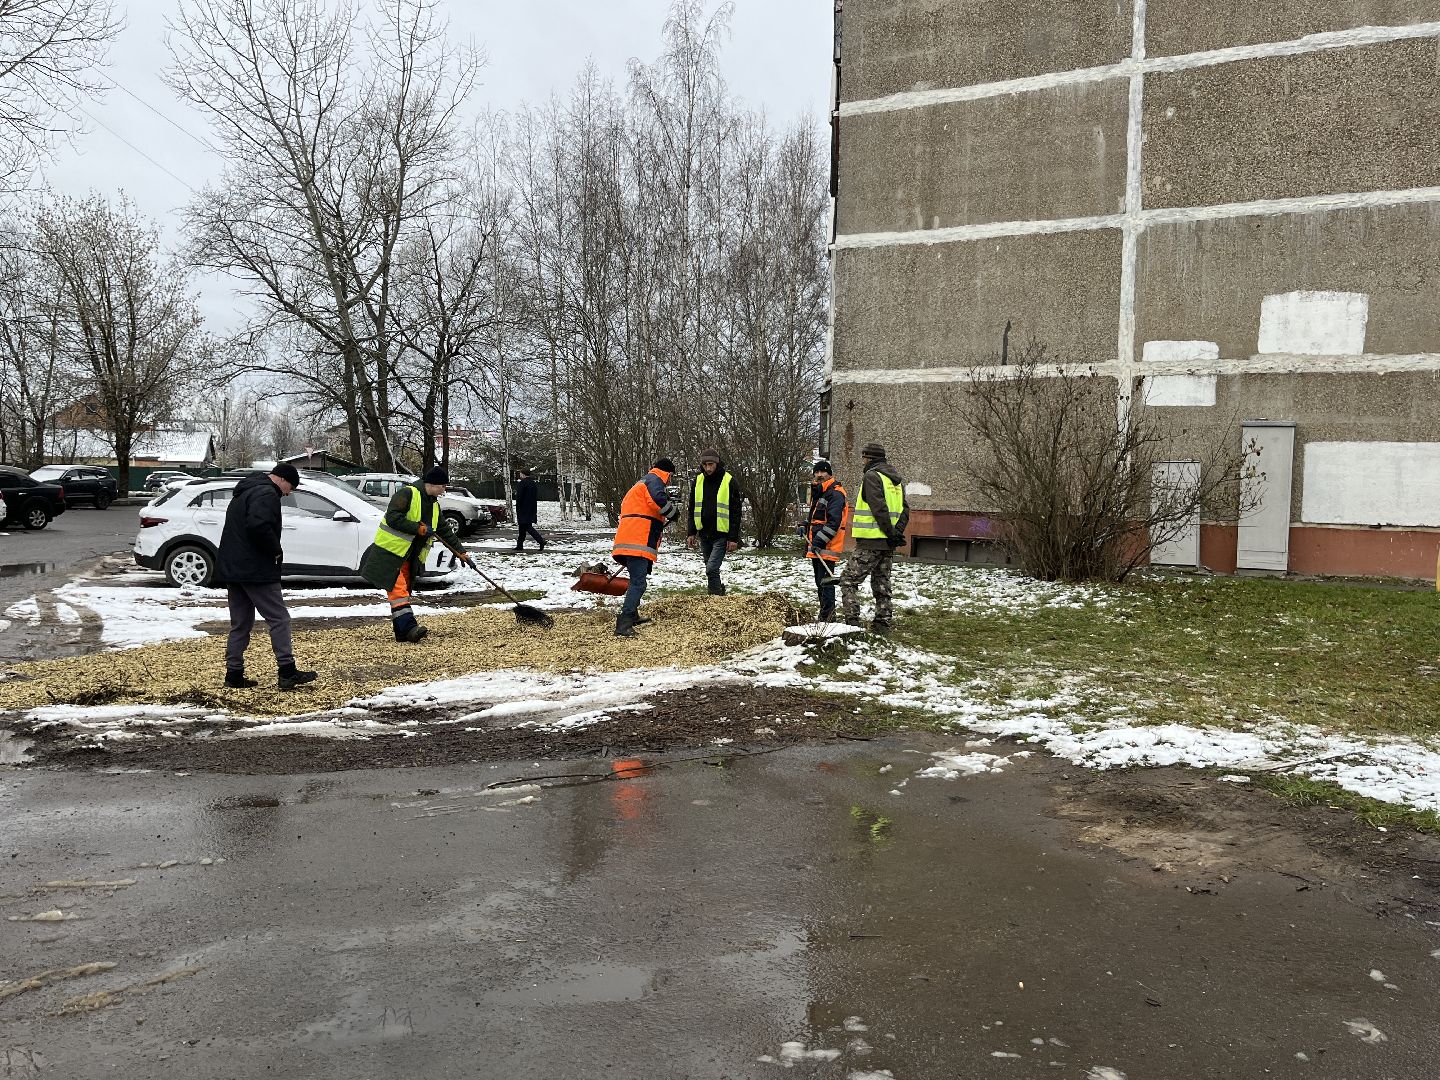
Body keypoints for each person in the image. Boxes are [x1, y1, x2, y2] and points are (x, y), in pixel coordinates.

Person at [216, 464, 317, 691]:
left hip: (234, 567)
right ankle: (287, 671)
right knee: (279, 619)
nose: (288, 493)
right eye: (290, 487)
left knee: (241, 623)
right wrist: (275, 550)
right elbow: (258, 525)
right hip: (255, 568)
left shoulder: (247, 490)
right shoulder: (266, 493)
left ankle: (233, 674)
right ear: (282, 479)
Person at [359, 466, 474, 642]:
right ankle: (410, 628)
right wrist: (418, 529)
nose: (444, 490)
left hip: (409, 556)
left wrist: (461, 552)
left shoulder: (432, 504)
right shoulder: (407, 494)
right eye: (443, 486)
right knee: (398, 593)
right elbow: (393, 517)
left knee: (402, 592)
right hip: (390, 553)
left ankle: (402, 633)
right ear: (432, 484)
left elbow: (444, 530)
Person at [841, 442, 909, 634]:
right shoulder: (896, 481)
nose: (862, 461)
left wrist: (890, 532)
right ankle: (882, 624)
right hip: (888, 543)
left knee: (848, 580)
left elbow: (878, 508)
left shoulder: (872, 477)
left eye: (863, 457)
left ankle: (852, 623)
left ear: (868, 458)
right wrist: (896, 534)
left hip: (870, 541)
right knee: (881, 582)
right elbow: (905, 509)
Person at [611, 457, 680, 637]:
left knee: (637, 579)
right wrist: (673, 512)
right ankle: (624, 623)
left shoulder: (642, 482)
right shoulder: (655, 480)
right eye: (671, 476)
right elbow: (658, 499)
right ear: (668, 473)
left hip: (629, 538)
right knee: (638, 583)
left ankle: (632, 615)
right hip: (638, 539)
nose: (670, 480)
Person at [685, 448, 742, 595]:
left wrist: (733, 538)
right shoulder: (698, 480)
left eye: (711, 464)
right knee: (710, 569)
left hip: (721, 534)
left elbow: (736, 512)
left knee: (711, 568)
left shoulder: (729, 480)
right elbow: (692, 508)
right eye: (705, 465)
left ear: (717, 464)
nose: (708, 468)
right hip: (704, 533)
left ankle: (715, 596)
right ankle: (717, 596)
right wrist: (691, 532)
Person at [804, 460, 847, 621]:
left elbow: (834, 523)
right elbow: (818, 519)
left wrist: (819, 541)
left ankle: (828, 617)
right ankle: (825, 614)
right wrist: (805, 525)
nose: (820, 475)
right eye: (817, 472)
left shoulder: (835, 493)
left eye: (823, 472)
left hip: (827, 546)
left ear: (829, 474)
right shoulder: (821, 492)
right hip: (817, 546)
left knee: (826, 583)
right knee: (819, 582)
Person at [514, 467, 545, 552]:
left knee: (527, 526)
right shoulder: (532, 483)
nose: (519, 475)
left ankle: (540, 541)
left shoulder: (522, 484)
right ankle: (519, 545)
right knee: (522, 527)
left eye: (520, 473)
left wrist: (518, 507)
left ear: (523, 474)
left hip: (523, 508)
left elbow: (519, 497)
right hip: (531, 508)